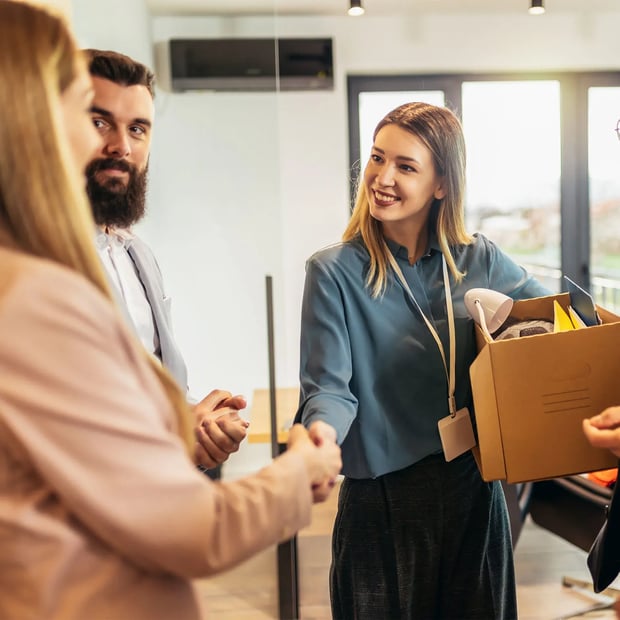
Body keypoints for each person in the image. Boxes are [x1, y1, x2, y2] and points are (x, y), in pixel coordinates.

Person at [0, 2, 341, 619]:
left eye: (137, 129)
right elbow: (186, 527)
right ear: (30, 122)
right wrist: (301, 471)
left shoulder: (131, 256)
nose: (111, 145)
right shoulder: (34, 292)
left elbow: (89, 442)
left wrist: (186, 425)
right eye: (89, 114)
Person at [295, 101, 549, 619]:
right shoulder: (333, 272)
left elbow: (561, 326)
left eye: (405, 166)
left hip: (472, 489)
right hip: (380, 501)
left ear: (441, 185)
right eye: (376, 158)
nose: (382, 178)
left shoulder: (479, 259)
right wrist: (320, 434)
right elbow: (329, 387)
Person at [84, 48, 244, 473]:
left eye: (137, 129)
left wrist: (201, 421)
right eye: (99, 122)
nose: (121, 146)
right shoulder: (27, 259)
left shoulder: (137, 254)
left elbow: (153, 377)